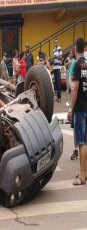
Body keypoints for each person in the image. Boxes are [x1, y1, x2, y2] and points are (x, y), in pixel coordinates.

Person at [67, 37, 87, 186]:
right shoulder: (86, 64)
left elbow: (75, 89)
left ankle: (81, 176)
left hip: (80, 107)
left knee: (81, 142)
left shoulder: (76, 66)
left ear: (75, 49)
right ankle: (85, 172)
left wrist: (70, 109)